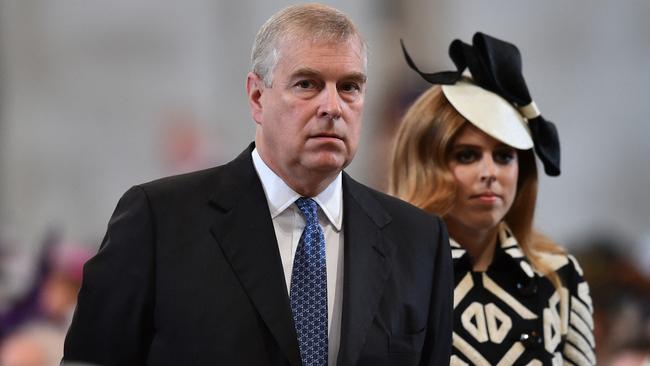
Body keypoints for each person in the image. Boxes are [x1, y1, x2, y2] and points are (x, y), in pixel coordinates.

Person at [62, 4, 453, 366]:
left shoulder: (418, 242)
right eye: (307, 84)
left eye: (349, 87)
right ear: (256, 96)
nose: (332, 106)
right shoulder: (159, 222)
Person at [390, 33, 595, 365]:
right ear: (426, 165)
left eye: (504, 156)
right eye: (467, 156)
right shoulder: (393, 279)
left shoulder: (559, 278)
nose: (490, 173)